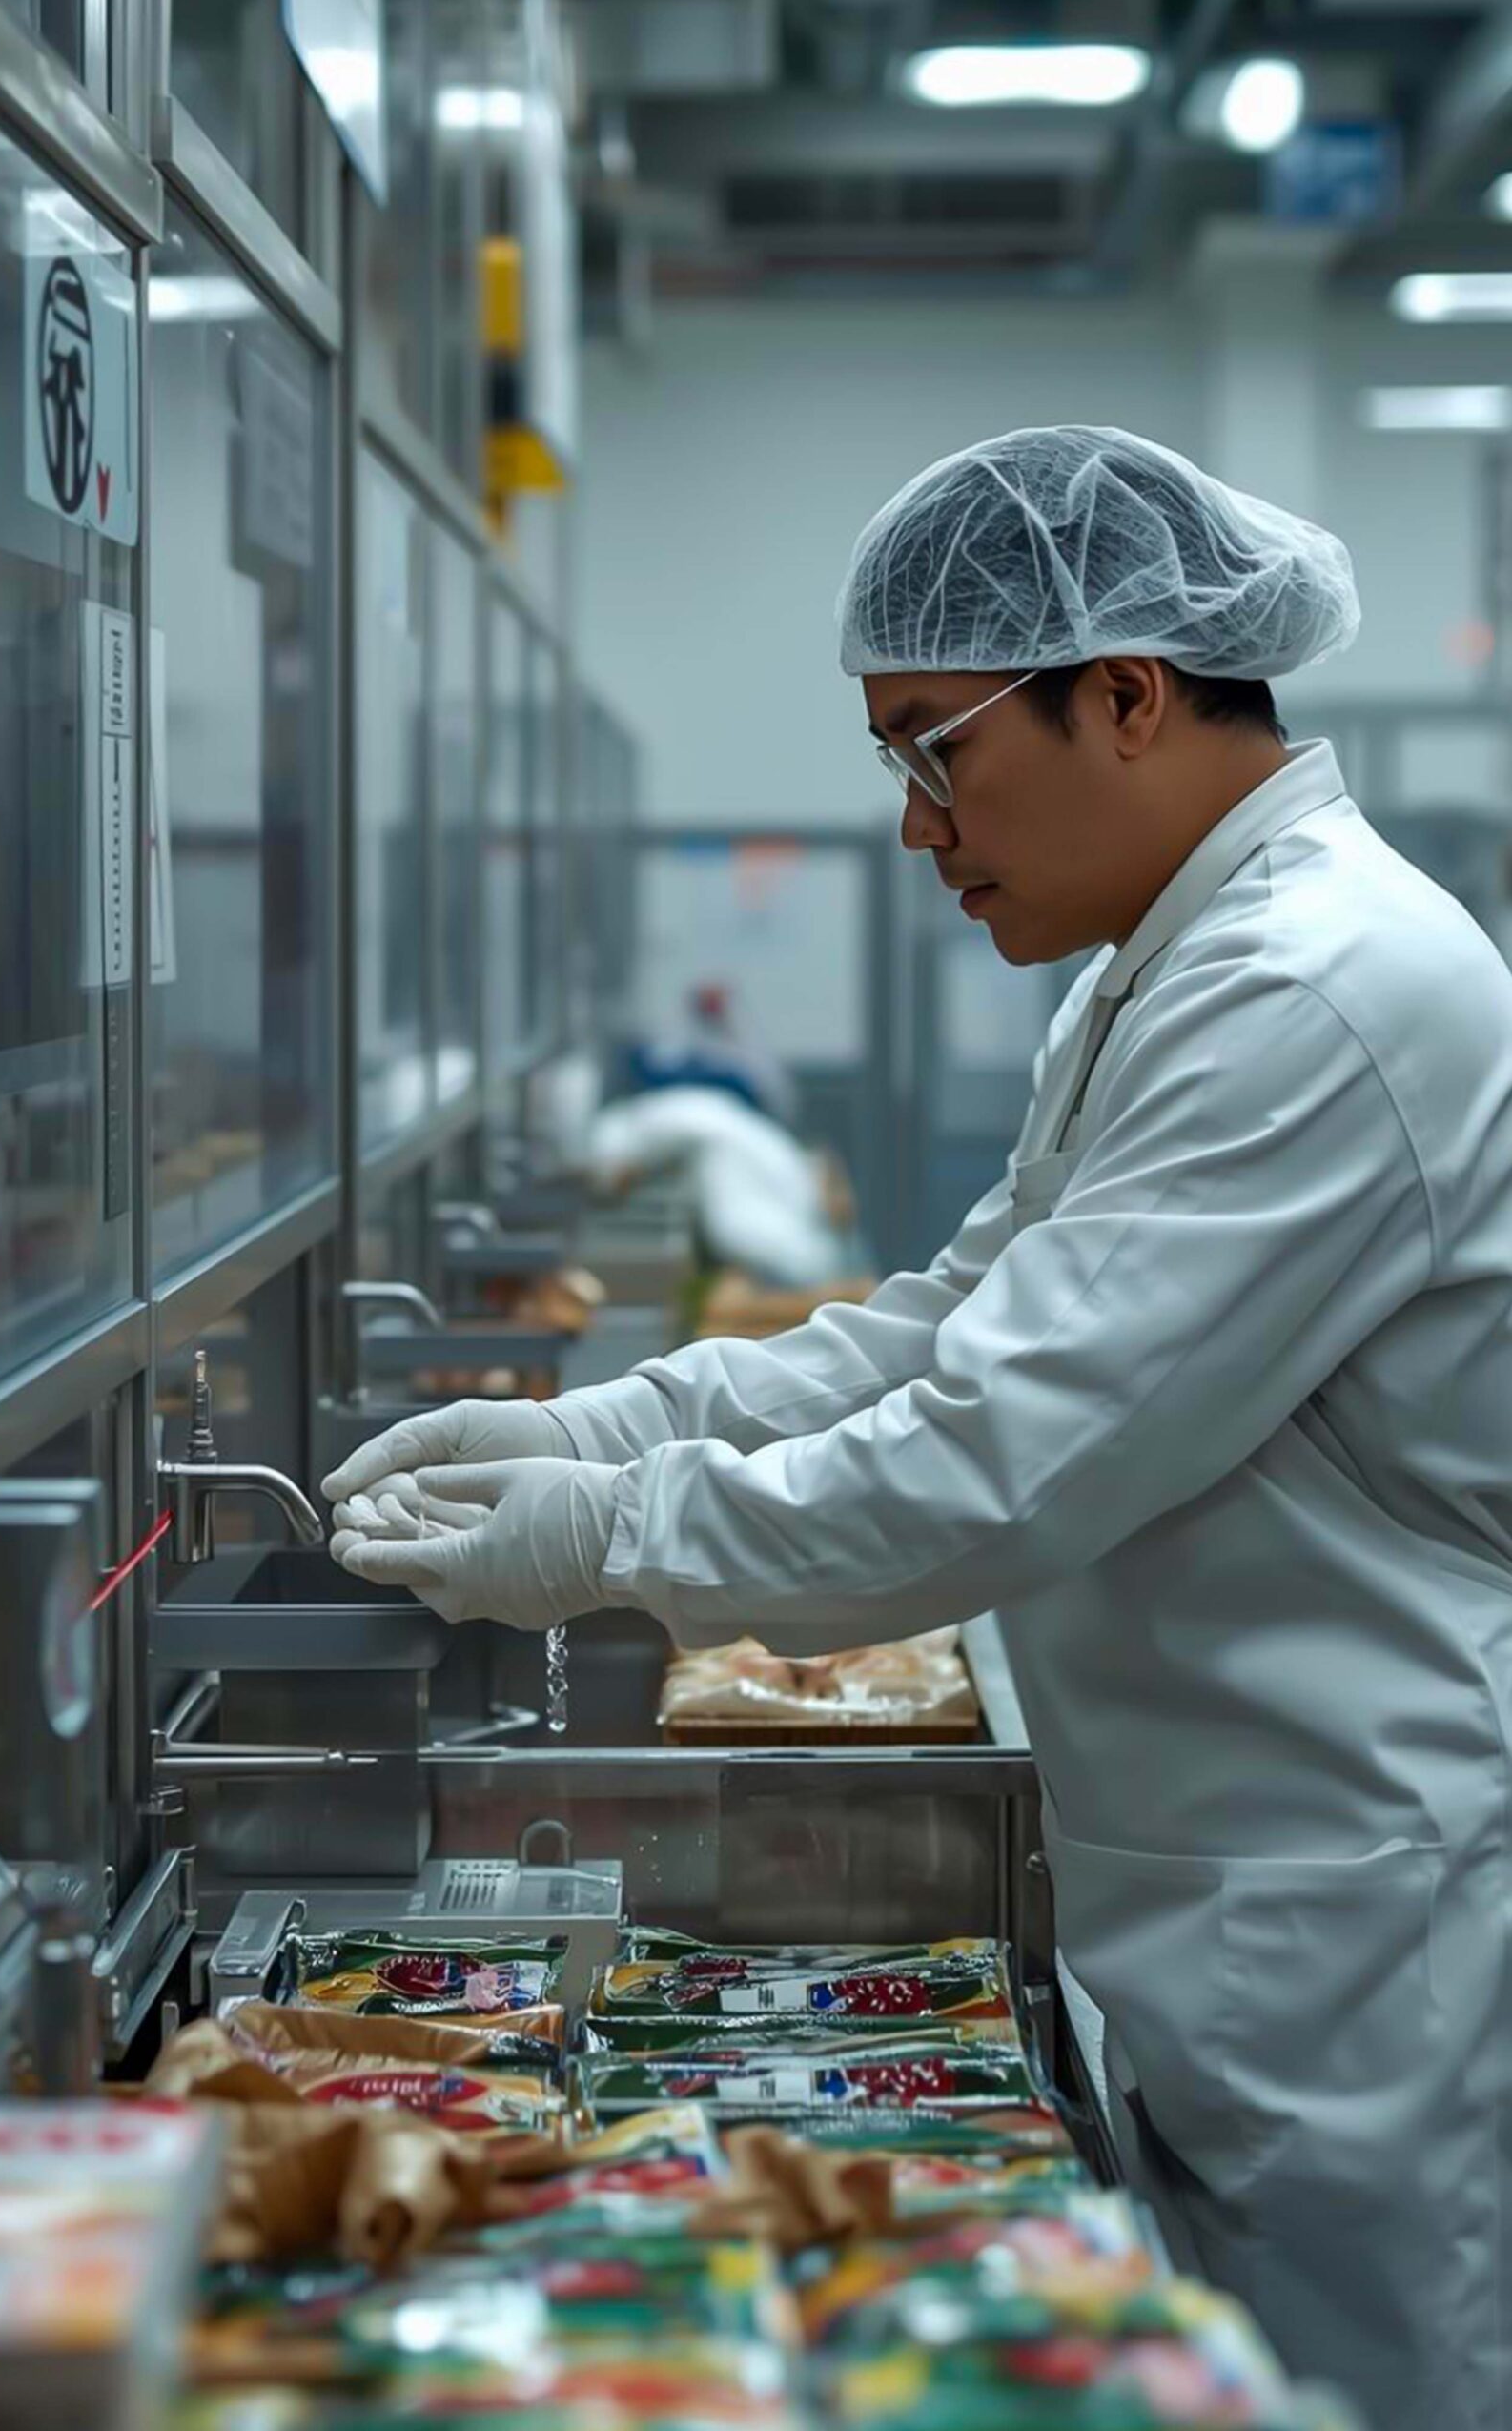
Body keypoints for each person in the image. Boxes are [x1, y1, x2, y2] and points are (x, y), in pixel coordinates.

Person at [325, 425, 1512, 2428]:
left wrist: (612, 1533)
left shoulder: (1313, 989)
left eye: (932, 751)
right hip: (1244, 1883)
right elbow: (948, 1326)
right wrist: (604, 1423)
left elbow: (996, 1458)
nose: (911, 825)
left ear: (1123, 695)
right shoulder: (1168, 972)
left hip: (1356, 1918)